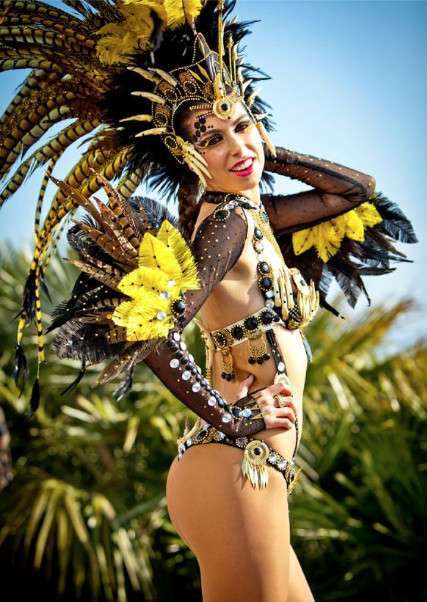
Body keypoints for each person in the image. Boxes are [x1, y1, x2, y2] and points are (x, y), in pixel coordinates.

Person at [1, 1, 417, 600]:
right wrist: (232, 417)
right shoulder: (226, 224)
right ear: (183, 154)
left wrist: (261, 148)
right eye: (210, 139)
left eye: (242, 124)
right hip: (236, 464)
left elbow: (355, 192)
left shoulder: (254, 213)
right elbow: (151, 326)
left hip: (250, 471)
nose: (236, 146)